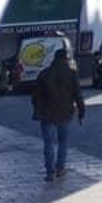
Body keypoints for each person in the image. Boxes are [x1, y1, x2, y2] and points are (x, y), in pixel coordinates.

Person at [29, 47, 83, 181]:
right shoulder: (71, 74)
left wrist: (38, 108)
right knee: (63, 141)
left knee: (48, 142)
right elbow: (78, 95)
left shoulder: (44, 73)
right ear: (66, 59)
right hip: (65, 112)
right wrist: (81, 111)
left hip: (46, 113)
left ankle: (50, 172)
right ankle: (60, 168)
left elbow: (35, 95)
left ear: (54, 58)